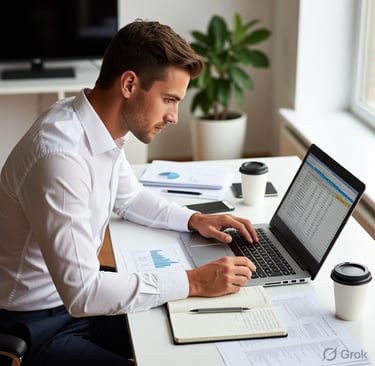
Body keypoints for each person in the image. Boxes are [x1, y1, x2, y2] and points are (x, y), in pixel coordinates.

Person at [0, 20, 257, 365]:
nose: (174, 116)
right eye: (169, 99)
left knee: (191, 335)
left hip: (73, 302)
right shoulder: (60, 156)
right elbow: (83, 293)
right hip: (35, 322)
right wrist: (193, 281)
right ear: (130, 83)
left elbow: (130, 197)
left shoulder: (94, 124)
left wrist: (195, 219)